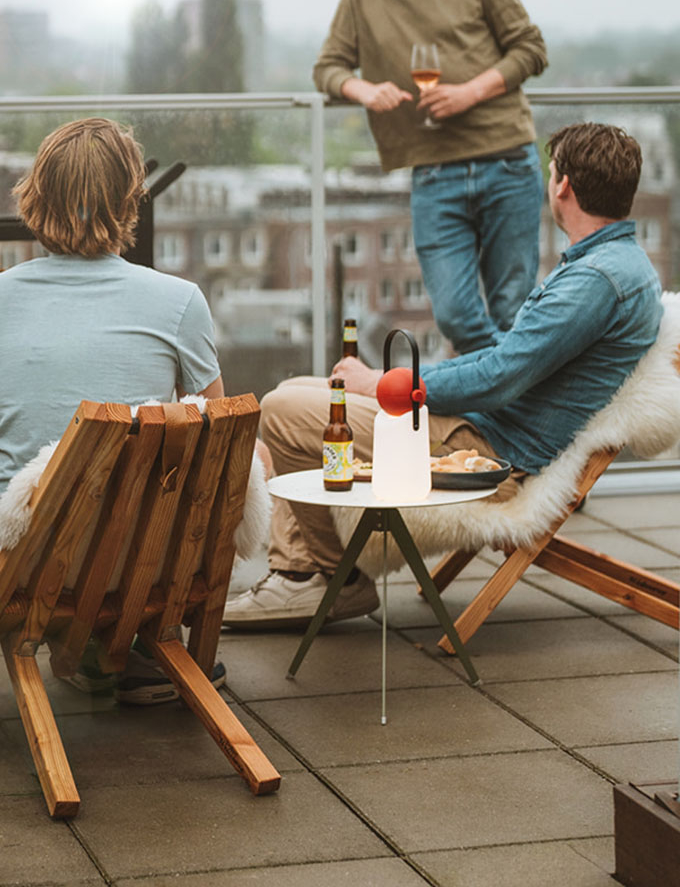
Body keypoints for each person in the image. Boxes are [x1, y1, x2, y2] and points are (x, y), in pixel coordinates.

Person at [224, 123, 661, 628]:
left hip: (488, 451)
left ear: (562, 186)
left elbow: (500, 375)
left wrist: (387, 386)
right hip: (485, 425)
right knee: (299, 390)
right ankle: (304, 571)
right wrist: (391, 380)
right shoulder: (618, 265)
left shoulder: (594, 282)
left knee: (282, 410)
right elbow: (505, 358)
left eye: (551, 172)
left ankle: (323, 578)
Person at [0, 118, 225, 702]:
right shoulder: (180, 301)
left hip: (19, 554)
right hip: (140, 557)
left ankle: (88, 643)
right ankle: (124, 642)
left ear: (35, 195)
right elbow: (216, 446)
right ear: (130, 200)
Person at [315, 0, 549, 354]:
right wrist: (362, 90)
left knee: (513, 309)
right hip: (432, 174)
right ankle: (504, 384)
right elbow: (329, 68)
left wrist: (470, 93)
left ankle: (499, 422)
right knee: (457, 316)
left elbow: (530, 49)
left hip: (506, 158)